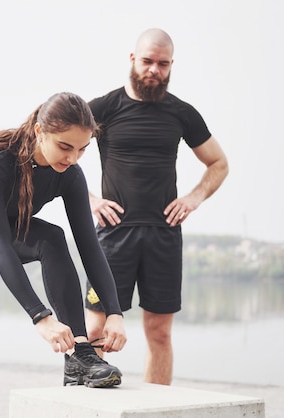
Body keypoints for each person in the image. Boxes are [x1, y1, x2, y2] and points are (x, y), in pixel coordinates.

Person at [0, 92, 127, 417]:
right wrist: (40, 316)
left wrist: (114, 311)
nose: (73, 158)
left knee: (53, 238)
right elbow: (0, 245)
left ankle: (80, 354)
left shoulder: (69, 174)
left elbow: (89, 246)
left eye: (82, 149)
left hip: (4, 230)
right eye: (65, 146)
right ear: (39, 132)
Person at [83, 28, 229, 385]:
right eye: (147, 61)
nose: (154, 70)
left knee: (159, 332)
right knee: (95, 327)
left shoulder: (182, 113)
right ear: (133, 60)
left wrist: (193, 198)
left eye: (162, 64)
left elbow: (218, 163)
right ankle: (85, 403)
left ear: (171, 65)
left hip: (164, 236)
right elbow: (57, 155)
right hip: (112, 237)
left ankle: (156, 407)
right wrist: (90, 201)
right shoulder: (102, 108)